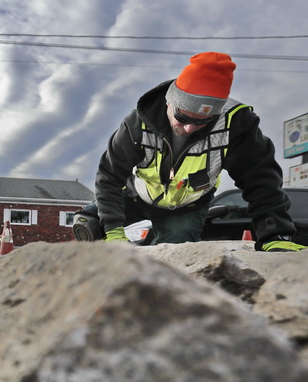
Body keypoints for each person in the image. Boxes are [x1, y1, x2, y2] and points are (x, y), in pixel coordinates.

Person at [72, 51, 305, 252]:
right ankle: (101, 239)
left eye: (203, 121)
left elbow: (261, 180)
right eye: (183, 117)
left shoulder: (237, 125)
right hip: (138, 196)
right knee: (89, 223)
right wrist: (114, 232)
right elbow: (109, 176)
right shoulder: (137, 123)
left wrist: (274, 235)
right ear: (168, 102)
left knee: (172, 260)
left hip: (185, 209)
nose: (189, 128)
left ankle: (152, 248)